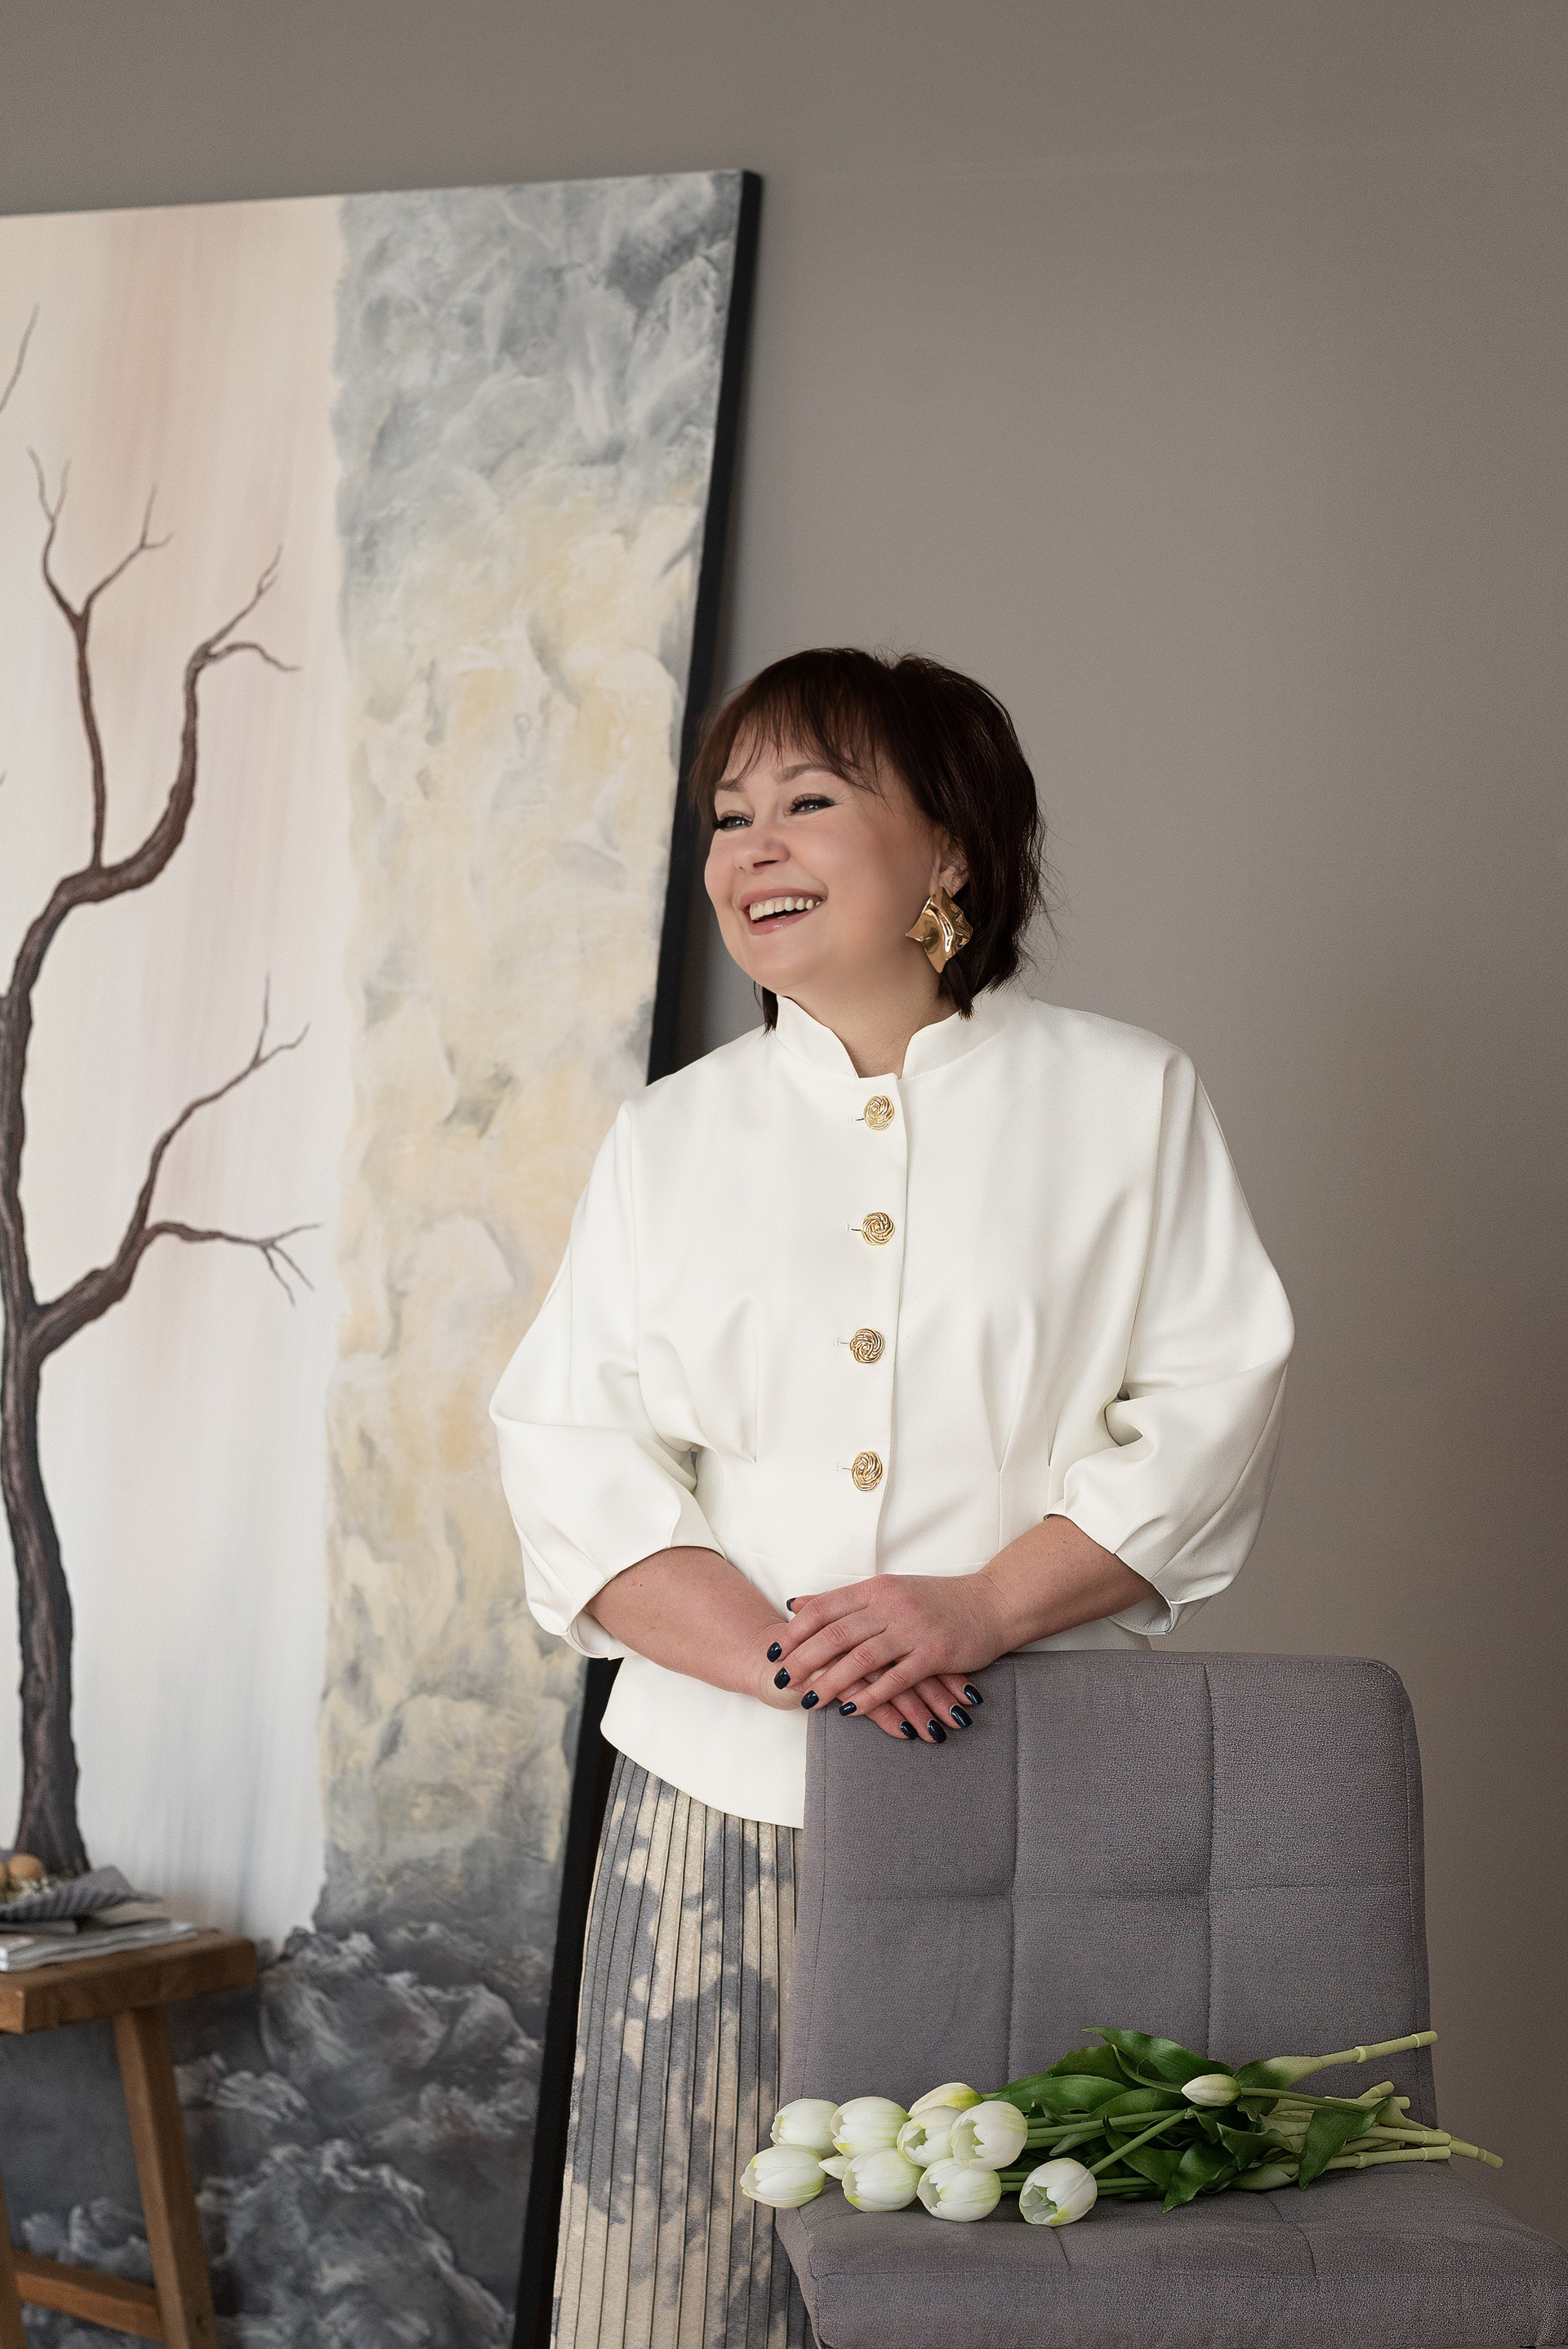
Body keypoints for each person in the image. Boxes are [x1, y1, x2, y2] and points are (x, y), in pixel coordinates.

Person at [490, 648, 1294, 2349]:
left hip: (1038, 1801)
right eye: (728, 815)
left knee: (1007, 2274)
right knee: (671, 2283)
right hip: (714, 1801)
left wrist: (983, 1606)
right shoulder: (667, 1139)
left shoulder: (1127, 1098)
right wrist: (796, 1660)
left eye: (807, 799)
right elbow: (569, 1446)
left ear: (950, 845)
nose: (751, 848)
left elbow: (1213, 1400)